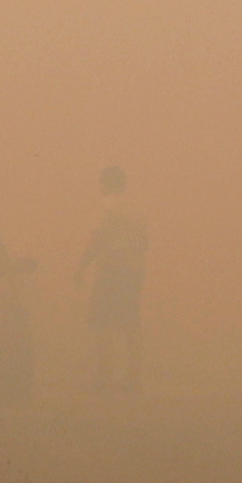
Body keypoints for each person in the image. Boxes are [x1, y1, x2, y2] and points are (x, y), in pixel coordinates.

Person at [80, 166, 151, 400]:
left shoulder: (103, 207)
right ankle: (134, 378)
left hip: (110, 270)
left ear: (104, 183)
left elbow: (96, 241)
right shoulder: (136, 210)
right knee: (130, 323)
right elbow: (145, 243)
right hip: (134, 271)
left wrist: (80, 268)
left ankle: (103, 378)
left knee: (100, 324)